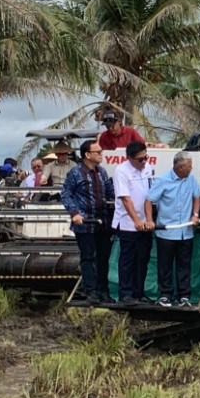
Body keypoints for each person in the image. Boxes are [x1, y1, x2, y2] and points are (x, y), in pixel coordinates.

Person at [144, 151, 200, 307]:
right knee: (165, 265)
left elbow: (197, 196)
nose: (191, 168)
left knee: (184, 265)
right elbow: (149, 200)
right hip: (167, 231)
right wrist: (149, 220)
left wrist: (195, 214)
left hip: (186, 231)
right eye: (189, 166)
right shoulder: (163, 180)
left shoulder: (191, 179)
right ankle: (165, 295)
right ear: (181, 166)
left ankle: (184, 296)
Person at [61, 140, 115, 305]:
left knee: (103, 257)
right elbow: (65, 194)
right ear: (87, 155)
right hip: (85, 223)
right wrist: (74, 213)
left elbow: (110, 192)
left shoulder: (102, 172)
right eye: (98, 151)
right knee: (88, 258)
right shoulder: (75, 173)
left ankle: (103, 290)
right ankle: (90, 291)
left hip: (103, 223)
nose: (101, 154)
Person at [112, 141, 154, 304]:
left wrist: (149, 219)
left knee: (142, 259)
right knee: (128, 259)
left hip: (145, 221)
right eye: (140, 160)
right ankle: (126, 293)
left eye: (146, 158)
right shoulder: (121, 171)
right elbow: (125, 198)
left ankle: (139, 292)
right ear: (129, 158)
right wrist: (136, 220)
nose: (144, 162)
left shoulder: (147, 169)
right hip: (128, 222)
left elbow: (149, 196)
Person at [98, 112, 167, 150]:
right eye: (107, 126)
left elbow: (142, 144)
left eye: (112, 125)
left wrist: (157, 146)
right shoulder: (104, 136)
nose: (110, 128)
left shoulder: (130, 132)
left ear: (119, 122)